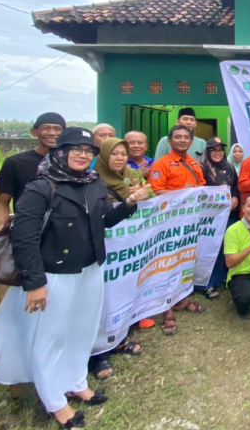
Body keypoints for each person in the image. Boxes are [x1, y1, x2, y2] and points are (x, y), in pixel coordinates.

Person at [0, 127, 150, 428]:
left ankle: (75, 381)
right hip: (54, 274)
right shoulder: (41, 188)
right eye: (76, 149)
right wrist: (35, 283)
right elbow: (24, 239)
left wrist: (129, 203)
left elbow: (104, 221)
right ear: (60, 152)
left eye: (88, 150)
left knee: (82, 329)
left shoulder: (93, 183)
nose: (83, 155)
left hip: (90, 269)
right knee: (51, 336)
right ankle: (54, 401)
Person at [0, 112, 66, 302]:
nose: (52, 133)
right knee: (24, 288)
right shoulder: (15, 163)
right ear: (34, 132)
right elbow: (3, 202)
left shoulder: (71, 164)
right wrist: (1, 229)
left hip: (61, 234)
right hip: (28, 233)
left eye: (57, 129)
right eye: (46, 128)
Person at [90, 138, 145, 380]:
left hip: (128, 247)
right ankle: (96, 353)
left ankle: (118, 338)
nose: (120, 158)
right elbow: (104, 217)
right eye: (114, 154)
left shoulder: (131, 175)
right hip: (102, 249)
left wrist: (141, 194)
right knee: (101, 297)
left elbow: (150, 194)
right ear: (103, 156)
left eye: (123, 154)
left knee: (122, 290)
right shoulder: (92, 181)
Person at [149, 125, 207, 334]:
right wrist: (181, 193)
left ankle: (180, 299)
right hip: (167, 224)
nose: (182, 140)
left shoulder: (194, 163)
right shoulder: (162, 163)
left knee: (183, 260)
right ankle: (167, 311)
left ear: (191, 142)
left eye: (186, 137)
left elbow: (202, 184)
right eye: (178, 137)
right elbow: (155, 191)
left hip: (189, 222)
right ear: (169, 141)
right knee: (167, 264)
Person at [200, 136, 239, 299]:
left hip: (228, 214)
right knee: (210, 248)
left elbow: (236, 186)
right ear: (208, 152)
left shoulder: (228, 166)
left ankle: (221, 277)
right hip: (210, 216)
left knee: (225, 246)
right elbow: (199, 190)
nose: (217, 153)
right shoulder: (202, 168)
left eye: (220, 150)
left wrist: (235, 197)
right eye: (214, 150)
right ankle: (207, 283)